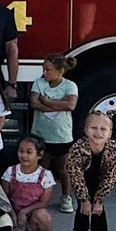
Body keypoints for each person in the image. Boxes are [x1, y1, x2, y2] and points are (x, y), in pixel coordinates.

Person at [64, 112, 116, 231]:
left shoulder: (113, 149)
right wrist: (84, 199)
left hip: (101, 181)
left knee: (98, 212)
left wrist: (99, 200)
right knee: (83, 210)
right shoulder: (77, 148)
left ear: (110, 133)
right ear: (86, 129)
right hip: (82, 180)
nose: (98, 132)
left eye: (103, 129)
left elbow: (111, 176)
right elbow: (75, 174)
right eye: (94, 128)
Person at [29, 53, 79, 213]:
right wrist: (58, 104)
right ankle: (39, 197)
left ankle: (66, 197)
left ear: (60, 70)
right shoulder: (38, 83)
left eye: (48, 70)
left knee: (63, 168)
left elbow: (70, 106)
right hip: (40, 135)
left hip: (62, 136)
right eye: (44, 69)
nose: (44, 73)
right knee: (42, 167)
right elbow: (33, 103)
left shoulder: (70, 86)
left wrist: (47, 101)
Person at [0, 134, 55, 231]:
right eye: (21, 151)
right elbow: (4, 197)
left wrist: (24, 212)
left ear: (39, 155)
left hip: (32, 217)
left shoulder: (46, 175)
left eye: (29, 152)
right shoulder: (10, 171)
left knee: (44, 215)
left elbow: (43, 202)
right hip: (13, 215)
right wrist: (13, 215)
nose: (24, 155)